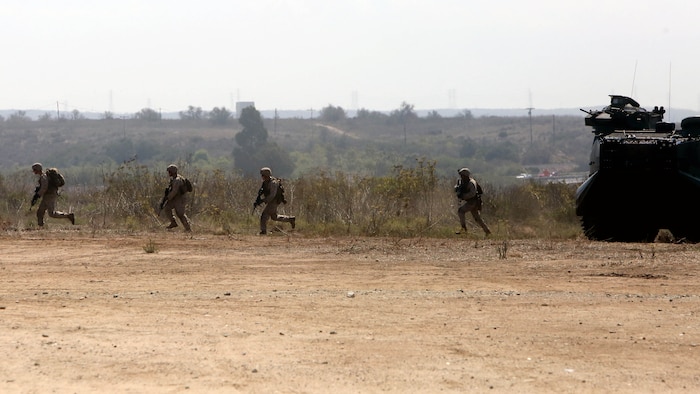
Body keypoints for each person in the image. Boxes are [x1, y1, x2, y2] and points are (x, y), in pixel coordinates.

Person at [254, 167, 295, 234]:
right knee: (274, 217)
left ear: (266, 175)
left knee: (264, 215)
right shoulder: (266, 182)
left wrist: (263, 200)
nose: (262, 177)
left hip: (274, 201)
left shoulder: (273, 183)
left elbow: (272, 195)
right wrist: (258, 200)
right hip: (272, 201)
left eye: (263, 175)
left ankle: (263, 231)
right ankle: (290, 219)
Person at [455, 167, 491, 236]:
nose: (461, 177)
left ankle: (464, 229)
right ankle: (487, 231)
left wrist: (463, 196)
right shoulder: (463, 181)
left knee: (461, 211)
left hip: (473, 202)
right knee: (477, 218)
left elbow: (472, 194)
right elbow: (458, 187)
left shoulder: (471, 183)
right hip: (472, 202)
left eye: (462, 175)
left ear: (466, 176)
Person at [160, 164, 192, 232]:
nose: (168, 173)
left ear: (173, 172)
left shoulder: (177, 180)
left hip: (180, 199)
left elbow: (174, 191)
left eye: (169, 171)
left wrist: (168, 198)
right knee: (167, 208)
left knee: (180, 214)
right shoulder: (174, 179)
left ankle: (188, 228)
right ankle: (173, 222)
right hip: (175, 198)